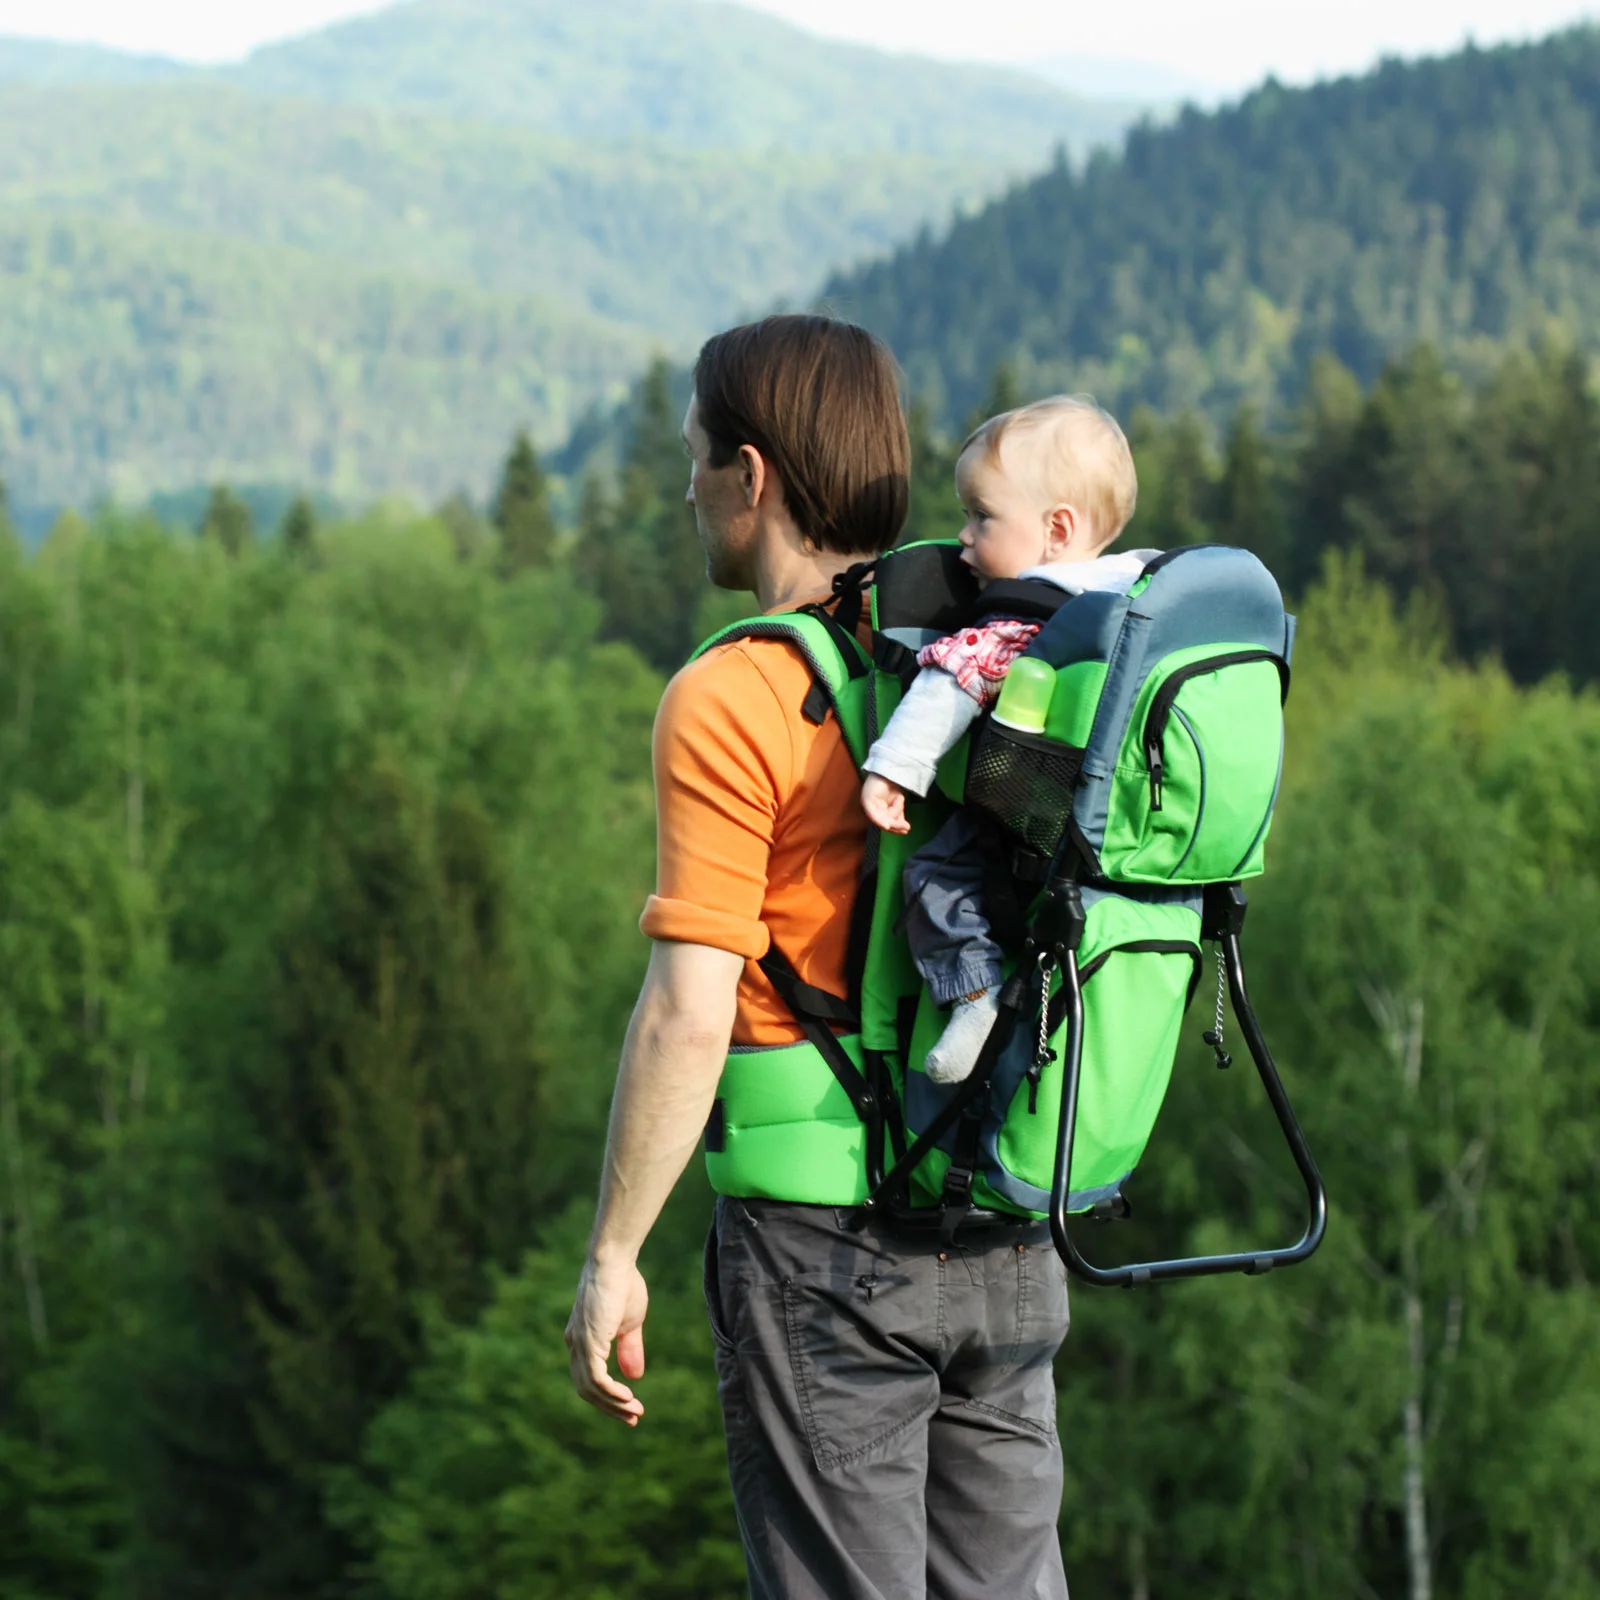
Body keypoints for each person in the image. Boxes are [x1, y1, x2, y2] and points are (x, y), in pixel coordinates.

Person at [565, 315, 1074, 1600]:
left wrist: (613, 1251)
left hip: (824, 1255)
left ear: (752, 475)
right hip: (1006, 1222)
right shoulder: (997, 643)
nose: (683, 486)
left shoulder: (735, 695)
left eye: (691, 458)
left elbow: (690, 1013)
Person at [860, 397, 1152, 1084]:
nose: (963, 538)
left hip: (1029, 812)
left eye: (981, 516)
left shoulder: (1020, 616)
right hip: (1117, 828)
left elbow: (947, 688)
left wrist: (891, 772)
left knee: (933, 878)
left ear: (1057, 529)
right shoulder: (1139, 591)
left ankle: (974, 996)